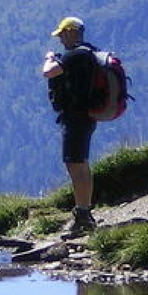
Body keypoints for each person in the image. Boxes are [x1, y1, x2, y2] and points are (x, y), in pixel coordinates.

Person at [42, 16, 102, 236]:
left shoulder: (76, 54)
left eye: (61, 35)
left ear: (71, 32)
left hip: (76, 117)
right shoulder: (88, 53)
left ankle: (83, 217)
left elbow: (48, 71)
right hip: (85, 116)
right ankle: (84, 211)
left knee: (74, 165)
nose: (60, 40)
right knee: (81, 164)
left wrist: (49, 58)